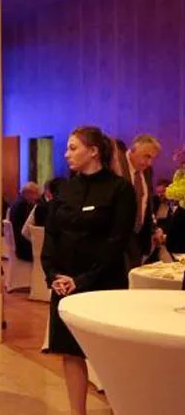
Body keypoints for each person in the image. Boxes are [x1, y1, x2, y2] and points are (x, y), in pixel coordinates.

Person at [41, 126, 135, 415]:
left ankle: (120, 408)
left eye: (72, 148)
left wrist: (82, 280)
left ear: (93, 151)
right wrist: (52, 275)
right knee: (70, 352)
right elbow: (51, 236)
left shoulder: (120, 189)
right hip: (64, 283)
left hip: (102, 282)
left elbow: (116, 242)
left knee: (109, 354)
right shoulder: (65, 188)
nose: (66, 153)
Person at [115, 134, 161, 270]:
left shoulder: (147, 171)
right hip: (118, 236)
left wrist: (154, 228)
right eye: (146, 156)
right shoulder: (117, 165)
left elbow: (147, 205)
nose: (149, 162)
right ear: (133, 149)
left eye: (152, 158)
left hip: (137, 237)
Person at [9, 182, 40, 261]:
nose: (37, 197)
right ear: (27, 193)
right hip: (23, 248)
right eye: (36, 193)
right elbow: (27, 229)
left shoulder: (17, 202)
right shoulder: (23, 206)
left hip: (17, 244)